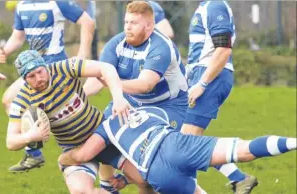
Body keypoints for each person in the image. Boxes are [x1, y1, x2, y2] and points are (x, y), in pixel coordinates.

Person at [58, 106, 296, 194]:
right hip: (176, 145)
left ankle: (239, 179)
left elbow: (82, 156)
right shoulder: (151, 110)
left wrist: (63, 157)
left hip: (157, 171)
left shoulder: (106, 128)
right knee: (244, 150)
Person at [83, 2, 187, 191]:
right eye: (126, 22)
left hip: (169, 106)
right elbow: (97, 79)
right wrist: (76, 96)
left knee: (154, 165)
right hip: (132, 101)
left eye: (134, 23)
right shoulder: (116, 44)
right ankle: (108, 186)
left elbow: (144, 85)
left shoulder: (160, 46)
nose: (128, 28)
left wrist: (113, 84)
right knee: (100, 133)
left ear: (149, 25)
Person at [6, 50, 131, 194]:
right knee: (80, 192)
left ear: (45, 66)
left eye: (40, 71)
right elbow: (10, 141)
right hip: (74, 148)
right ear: (24, 79)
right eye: (31, 76)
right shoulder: (23, 100)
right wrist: (30, 137)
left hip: (102, 134)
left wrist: (118, 98)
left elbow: (106, 68)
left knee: (144, 179)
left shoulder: (63, 68)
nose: (38, 78)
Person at [0, 0, 96, 172]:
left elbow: (88, 22)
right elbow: (18, 37)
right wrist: (5, 50)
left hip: (54, 68)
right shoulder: (22, 6)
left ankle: (36, 150)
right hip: (34, 71)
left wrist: (82, 54)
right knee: (9, 101)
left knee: (12, 101)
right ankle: (34, 148)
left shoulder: (56, 3)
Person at [182, 1, 258, 193]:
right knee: (186, 144)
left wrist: (202, 83)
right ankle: (238, 178)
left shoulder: (214, 5)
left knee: (184, 146)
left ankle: (239, 178)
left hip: (211, 77)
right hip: (204, 76)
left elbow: (223, 49)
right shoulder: (205, 5)